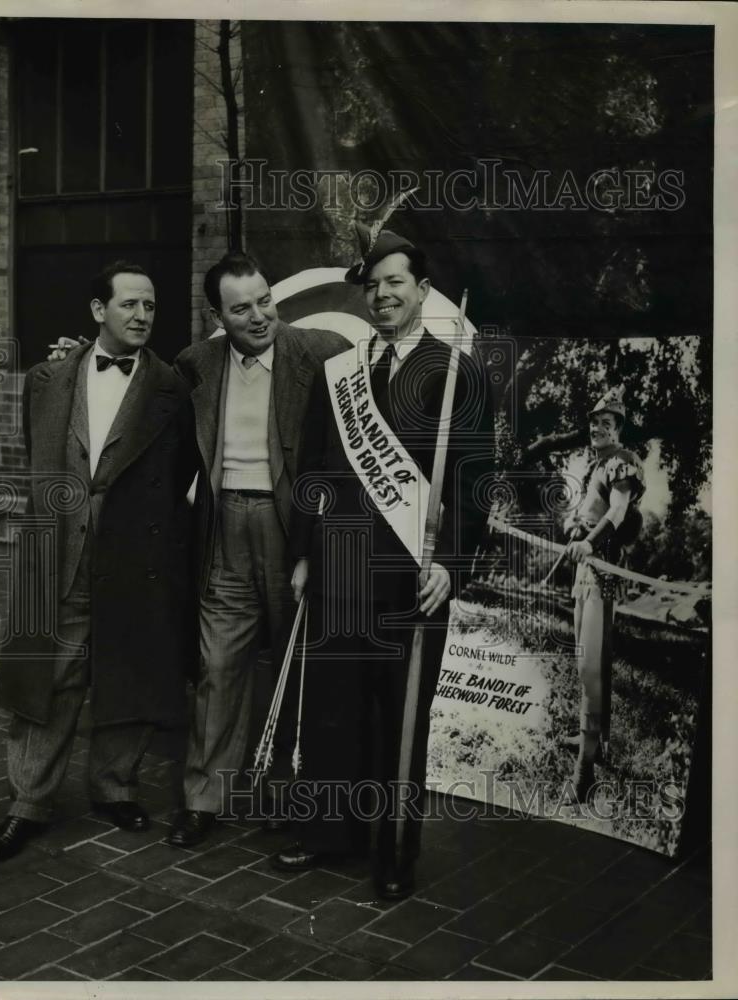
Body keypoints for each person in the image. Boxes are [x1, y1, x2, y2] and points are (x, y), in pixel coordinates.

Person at [272, 224, 494, 899]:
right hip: (338, 568)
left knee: (398, 714)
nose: (383, 294)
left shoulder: (457, 374)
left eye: (395, 282)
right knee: (335, 709)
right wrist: (305, 556)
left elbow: (475, 484)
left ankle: (393, 849)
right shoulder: (340, 370)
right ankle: (326, 834)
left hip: (410, 579)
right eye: (373, 286)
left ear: (422, 290)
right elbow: (313, 471)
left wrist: (451, 566)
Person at [0, 262, 198, 863]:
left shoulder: (172, 389)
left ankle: (114, 788)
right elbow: (42, 461)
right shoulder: (48, 378)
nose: (142, 316)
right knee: (47, 677)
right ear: (98, 312)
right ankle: (27, 804)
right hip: (58, 554)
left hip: (135, 555)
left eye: (150, 306)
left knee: (127, 670)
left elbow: (179, 476)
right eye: (128, 304)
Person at [167, 252, 350, 847]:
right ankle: (204, 798)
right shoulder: (195, 364)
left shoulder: (321, 352)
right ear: (215, 314)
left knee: (297, 665)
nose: (259, 315)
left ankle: (287, 795)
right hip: (223, 528)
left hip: (289, 527)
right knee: (218, 666)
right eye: (241, 308)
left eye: (265, 300)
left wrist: (317, 545)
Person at [562, 388, 644, 804]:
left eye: (606, 423)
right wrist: (574, 529)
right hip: (586, 569)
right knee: (587, 662)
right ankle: (593, 738)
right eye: (593, 422)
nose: (597, 428)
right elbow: (589, 512)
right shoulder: (596, 464)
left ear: (619, 429)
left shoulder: (622, 462)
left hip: (603, 571)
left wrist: (590, 542)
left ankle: (585, 768)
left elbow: (617, 512)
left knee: (590, 667)